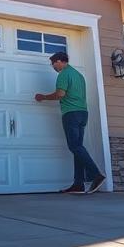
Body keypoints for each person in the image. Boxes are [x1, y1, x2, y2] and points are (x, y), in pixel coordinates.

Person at [35, 51, 106, 194]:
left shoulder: (63, 74)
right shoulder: (79, 75)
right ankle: (78, 184)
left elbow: (60, 94)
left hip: (71, 114)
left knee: (74, 146)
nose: (53, 66)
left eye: (53, 63)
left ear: (60, 61)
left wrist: (43, 97)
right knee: (77, 148)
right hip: (82, 113)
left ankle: (95, 174)